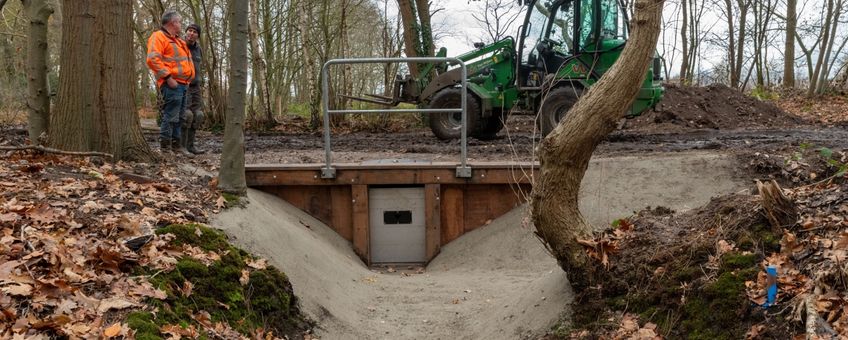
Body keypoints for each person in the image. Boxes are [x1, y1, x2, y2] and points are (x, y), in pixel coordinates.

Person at [146, 9, 195, 156]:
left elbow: (188, 51)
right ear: (172, 23)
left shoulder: (178, 40)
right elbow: (152, 59)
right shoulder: (158, 37)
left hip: (183, 84)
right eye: (179, 22)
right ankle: (166, 148)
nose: (181, 25)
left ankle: (176, 147)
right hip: (172, 84)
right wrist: (168, 78)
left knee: (180, 117)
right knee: (171, 116)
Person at [182, 23, 204, 154]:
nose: (191, 33)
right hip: (183, 85)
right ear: (186, 32)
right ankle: (182, 147)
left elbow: (198, 67)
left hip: (196, 86)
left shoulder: (198, 49)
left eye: (194, 32)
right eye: (189, 31)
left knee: (198, 115)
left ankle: (191, 146)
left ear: (198, 36)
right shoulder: (180, 46)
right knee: (186, 115)